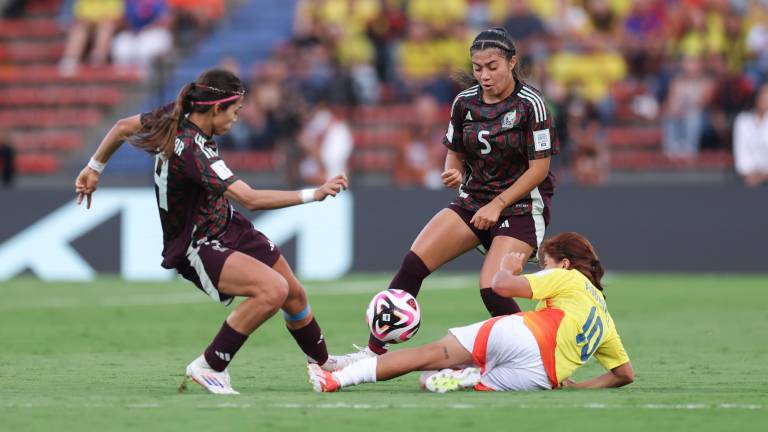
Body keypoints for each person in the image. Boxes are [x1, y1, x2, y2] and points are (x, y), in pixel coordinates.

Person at [74, 69, 349, 395]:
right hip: (197, 243)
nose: (237, 119)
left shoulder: (175, 115)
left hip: (226, 224)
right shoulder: (193, 150)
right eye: (235, 111)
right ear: (217, 108)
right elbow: (251, 198)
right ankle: (210, 365)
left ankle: (321, 364)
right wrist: (313, 194)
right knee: (272, 291)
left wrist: (94, 167)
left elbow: (122, 127)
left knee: (293, 292)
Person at [335, 27, 559, 364]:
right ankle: (371, 353)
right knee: (412, 265)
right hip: (473, 201)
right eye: (478, 67)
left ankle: (535, 357)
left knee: (494, 287)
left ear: (512, 62)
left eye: (492, 66)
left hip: (521, 208)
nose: (484, 75)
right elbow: (454, 151)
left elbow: (539, 170)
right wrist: (452, 169)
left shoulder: (531, 105)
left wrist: (498, 205)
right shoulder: (464, 102)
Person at [309, 232, 634, 393]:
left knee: (427, 355)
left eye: (544, 262)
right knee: (429, 382)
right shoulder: (604, 318)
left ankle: (335, 380)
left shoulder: (566, 276)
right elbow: (624, 374)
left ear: (563, 262)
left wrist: (511, 266)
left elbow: (502, 287)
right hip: (540, 377)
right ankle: (471, 375)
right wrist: (579, 387)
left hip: (524, 334)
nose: (543, 268)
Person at [733, 83, 768, 187]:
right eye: (763, 98)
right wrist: (748, 173)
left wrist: (764, 175)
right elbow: (741, 149)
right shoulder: (742, 120)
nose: (765, 102)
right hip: (748, 180)